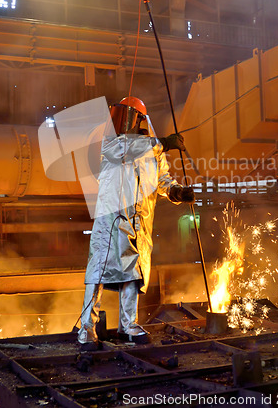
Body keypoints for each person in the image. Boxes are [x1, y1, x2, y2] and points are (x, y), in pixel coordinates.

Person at [78, 96, 195, 348]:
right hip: (111, 218)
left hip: (139, 221)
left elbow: (163, 179)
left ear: (139, 120)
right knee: (98, 271)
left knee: (134, 272)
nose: (120, 121)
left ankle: (128, 325)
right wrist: (163, 142)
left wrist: (177, 192)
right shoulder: (111, 143)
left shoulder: (153, 151)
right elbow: (122, 151)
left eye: (126, 116)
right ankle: (86, 327)